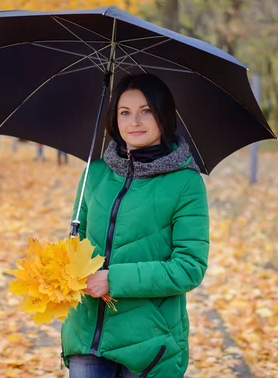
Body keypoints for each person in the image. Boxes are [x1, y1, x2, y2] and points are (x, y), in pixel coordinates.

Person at [60, 74, 209, 378]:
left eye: (146, 111)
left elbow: (189, 266)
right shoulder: (96, 174)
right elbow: (78, 247)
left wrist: (113, 280)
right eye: (124, 112)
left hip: (149, 341)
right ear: (114, 120)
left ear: (163, 115)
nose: (135, 121)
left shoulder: (186, 183)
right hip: (87, 336)